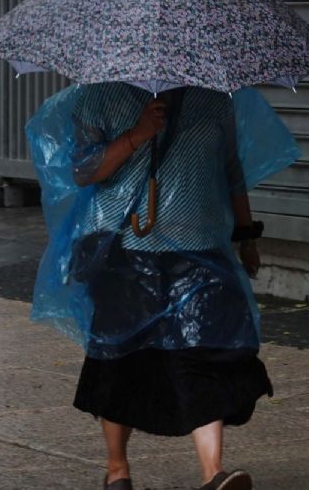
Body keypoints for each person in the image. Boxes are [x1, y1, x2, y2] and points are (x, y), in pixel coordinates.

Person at [67, 82, 272, 490]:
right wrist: (137, 135)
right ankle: (117, 471)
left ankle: (214, 474)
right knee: (119, 358)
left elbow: (231, 172)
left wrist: (247, 233)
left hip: (200, 251)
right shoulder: (98, 98)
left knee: (206, 352)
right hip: (123, 250)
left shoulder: (214, 102)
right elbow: (84, 171)